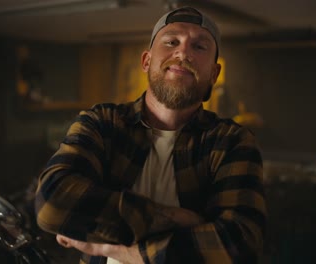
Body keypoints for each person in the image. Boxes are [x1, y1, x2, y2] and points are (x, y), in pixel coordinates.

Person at [35, 6, 266, 264]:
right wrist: (175, 218)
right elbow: (51, 203)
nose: (183, 52)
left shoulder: (231, 141)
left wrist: (112, 249)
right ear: (146, 61)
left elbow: (241, 244)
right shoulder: (102, 123)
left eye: (199, 47)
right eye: (171, 42)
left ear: (213, 74)